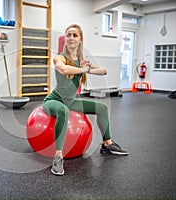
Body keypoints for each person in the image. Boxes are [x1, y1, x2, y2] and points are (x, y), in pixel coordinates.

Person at [42, 24, 128, 176]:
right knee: (63, 111)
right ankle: (58, 156)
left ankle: (107, 144)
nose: (71, 38)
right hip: (54, 100)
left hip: (71, 100)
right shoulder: (60, 57)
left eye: (75, 35)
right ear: (65, 38)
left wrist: (88, 69)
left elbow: (103, 71)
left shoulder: (81, 60)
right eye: (68, 35)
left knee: (102, 108)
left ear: (80, 39)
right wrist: (82, 70)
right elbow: (63, 69)